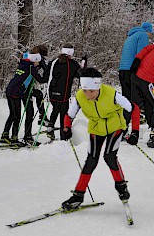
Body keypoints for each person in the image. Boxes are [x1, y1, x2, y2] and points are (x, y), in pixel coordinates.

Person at [60, 67, 140, 211]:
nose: (88, 95)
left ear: (98, 87)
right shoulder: (80, 96)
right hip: (96, 128)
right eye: (85, 90)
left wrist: (135, 132)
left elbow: (134, 109)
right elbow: (69, 115)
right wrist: (66, 127)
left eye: (91, 91)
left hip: (115, 126)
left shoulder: (111, 94)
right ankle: (78, 195)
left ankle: (121, 187)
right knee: (91, 160)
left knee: (109, 156)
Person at [0, 45, 49, 145]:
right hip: (16, 92)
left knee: (13, 115)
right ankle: (14, 139)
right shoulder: (31, 67)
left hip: (12, 90)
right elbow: (41, 80)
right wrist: (47, 71)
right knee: (16, 115)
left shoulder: (25, 62)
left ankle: (5, 136)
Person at [118, 22, 154, 127]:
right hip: (132, 70)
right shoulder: (142, 35)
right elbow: (141, 54)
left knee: (126, 99)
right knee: (136, 98)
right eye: (151, 33)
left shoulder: (131, 36)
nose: (151, 36)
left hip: (123, 70)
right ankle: (138, 118)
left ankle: (123, 125)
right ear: (148, 31)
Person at [46, 44, 84, 140]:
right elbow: (80, 74)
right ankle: (64, 136)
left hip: (51, 92)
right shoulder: (72, 64)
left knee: (55, 109)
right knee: (64, 114)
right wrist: (83, 65)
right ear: (71, 52)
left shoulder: (54, 62)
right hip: (63, 94)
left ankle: (50, 126)